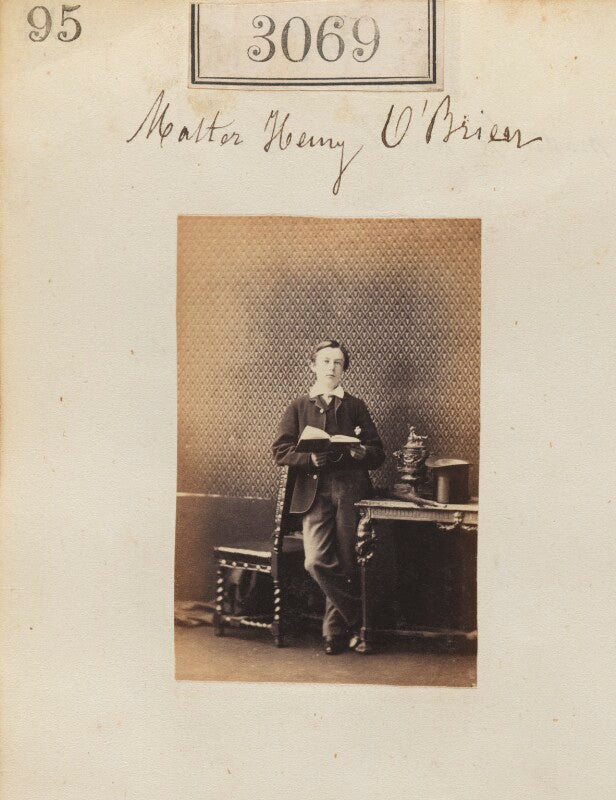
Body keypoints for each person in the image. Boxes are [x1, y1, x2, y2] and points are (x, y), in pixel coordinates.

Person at [272, 339, 385, 654]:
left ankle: (332, 633)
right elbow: (280, 451)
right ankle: (361, 621)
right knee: (316, 561)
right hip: (314, 493)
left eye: (337, 363)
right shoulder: (299, 406)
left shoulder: (355, 406)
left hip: (351, 490)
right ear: (313, 366)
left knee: (348, 561)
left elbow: (378, 453)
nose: (331, 367)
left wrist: (362, 452)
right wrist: (309, 459)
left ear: (344, 369)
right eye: (325, 361)